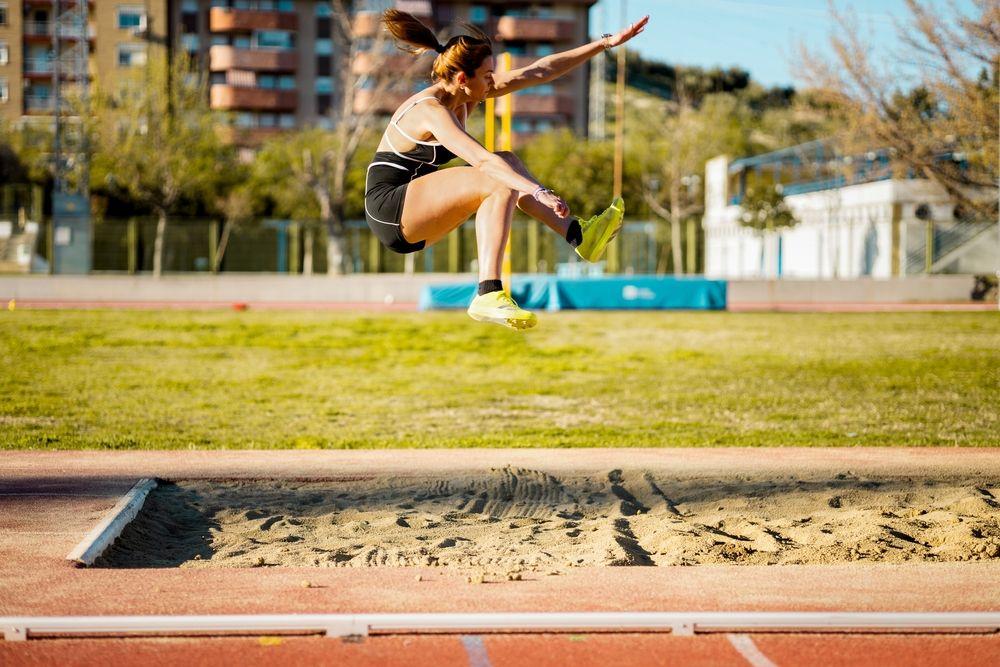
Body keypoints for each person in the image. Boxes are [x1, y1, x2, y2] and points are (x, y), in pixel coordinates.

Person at [368, 9, 649, 330]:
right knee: (497, 175)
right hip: (390, 209)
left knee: (508, 160)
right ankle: (488, 292)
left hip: (414, 214)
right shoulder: (430, 110)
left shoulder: (467, 92)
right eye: (487, 74)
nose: (493, 80)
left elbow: (540, 71)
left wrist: (605, 44)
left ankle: (579, 235)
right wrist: (538, 191)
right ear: (462, 79)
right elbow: (483, 162)